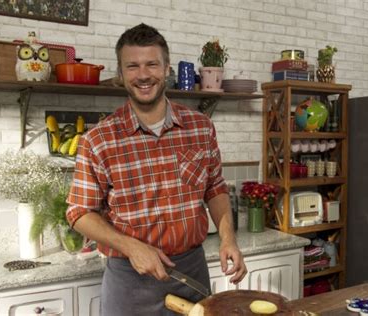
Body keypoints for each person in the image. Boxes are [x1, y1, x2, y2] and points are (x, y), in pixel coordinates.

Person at [66, 23, 247, 315]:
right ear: (121, 74)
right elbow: (78, 212)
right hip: (129, 281)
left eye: (152, 64)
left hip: (191, 273)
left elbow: (215, 188)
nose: (143, 74)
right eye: (133, 66)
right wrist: (130, 247)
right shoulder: (98, 139)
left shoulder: (200, 128)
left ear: (166, 69)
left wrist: (229, 239)